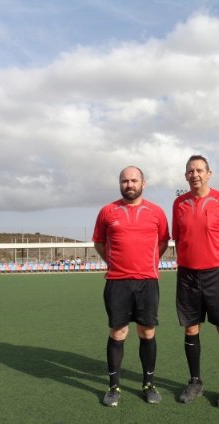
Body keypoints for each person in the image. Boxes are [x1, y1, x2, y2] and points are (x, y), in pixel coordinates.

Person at [92, 166, 170, 407]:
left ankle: (148, 384)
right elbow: (99, 243)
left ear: (143, 184)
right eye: (125, 181)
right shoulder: (107, 212)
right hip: (117, 282)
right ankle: (113, 386)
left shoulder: (156, 212)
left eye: (134, 180)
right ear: (120, 184)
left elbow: (163, 243)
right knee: (118, 333)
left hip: (147, 281)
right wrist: (114, 263)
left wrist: (148, 264)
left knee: (147, 332)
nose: (129, 184)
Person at [172, 154, 219, 408]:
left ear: (209, 173)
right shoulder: (179, 203)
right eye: (190, 171)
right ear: (186, 175)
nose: (195, 175)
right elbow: (178, 239)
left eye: (199, 170)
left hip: (218, 274)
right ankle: (195, 381)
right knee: (191, 328)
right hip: (188, 275)